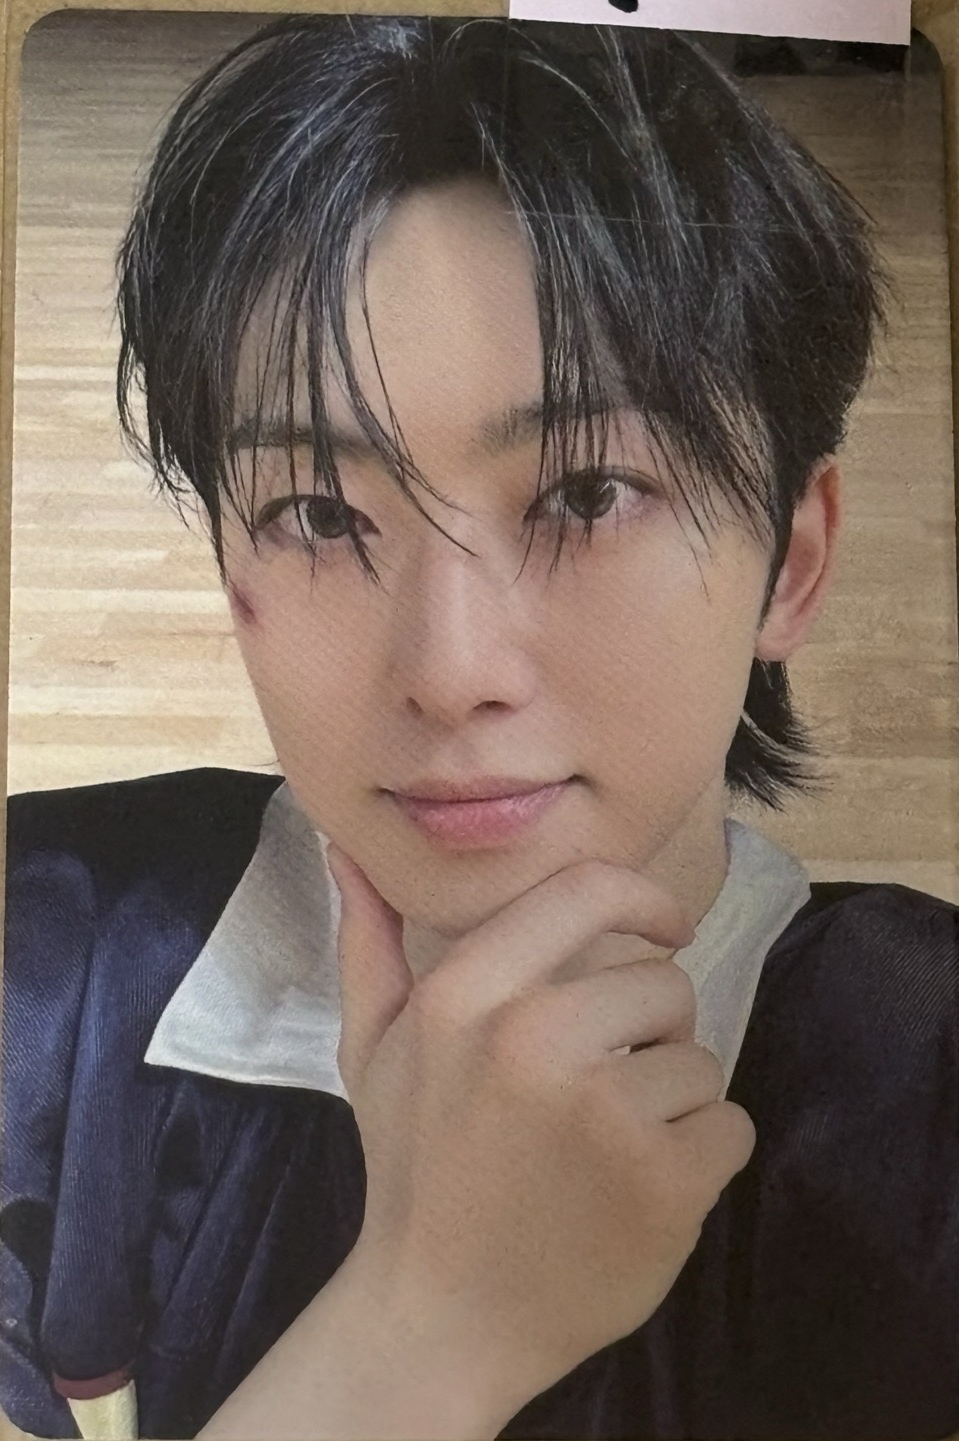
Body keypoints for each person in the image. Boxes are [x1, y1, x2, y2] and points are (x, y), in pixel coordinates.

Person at [2, 14, 957, 1441]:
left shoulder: (917, 1083)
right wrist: (426, 1324)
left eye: (585, 495)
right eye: (318, 513)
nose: (450, 674)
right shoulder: (51, 961)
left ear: (793, 563)